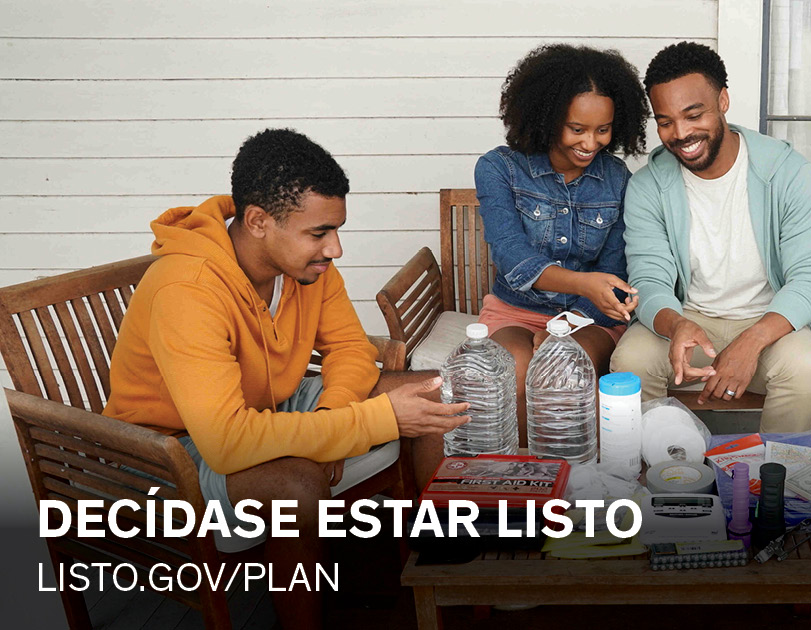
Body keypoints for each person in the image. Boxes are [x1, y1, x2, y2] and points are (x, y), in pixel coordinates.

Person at [102, 128, 467, 630]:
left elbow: (349, 348)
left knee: (435, 390)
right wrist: (371, 420)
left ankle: (444, 576)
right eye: (319, 233)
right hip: (168, 450)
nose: (335, 248)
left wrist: (335, 419)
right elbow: (226, 442)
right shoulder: (187, 289)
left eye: (336, 230)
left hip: (265, 405)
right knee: (296, 485)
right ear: (258, 222)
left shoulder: (306, 267)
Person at [611, 42, 811, 432]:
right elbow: (648, 279)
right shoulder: (649, 187)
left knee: (806, 365)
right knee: (631, 361)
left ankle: (777, 466)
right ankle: (657, 463)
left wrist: (753, 341)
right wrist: (676, 325)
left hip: (769, 319)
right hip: (689, 318)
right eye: (665, 122)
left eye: (693, 115)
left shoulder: (788, 173)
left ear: (723, 101)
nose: (681, 133)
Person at [474, 44, 648, 436]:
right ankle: (525, 470)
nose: (591, 143)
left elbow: (615, 270)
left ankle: (572, 469)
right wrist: (582, 283)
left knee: (563, 370)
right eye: (577, 129)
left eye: (602, 130)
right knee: (515, 370)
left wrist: (568, 323)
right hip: (515, 310)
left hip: (589, 316)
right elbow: (511, 256)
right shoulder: (499, 168)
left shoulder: (617, 179)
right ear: (547, 118)